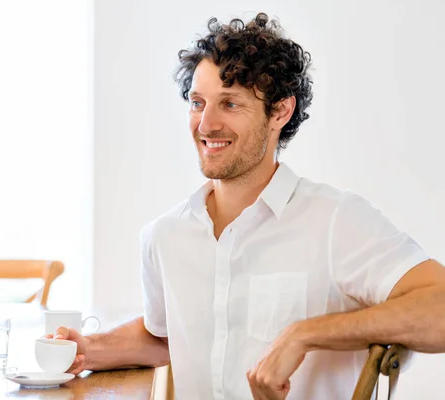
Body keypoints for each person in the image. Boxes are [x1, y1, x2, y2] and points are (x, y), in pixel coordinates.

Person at [53, 12, 445, 400]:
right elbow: (168, 337)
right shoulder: (164, 236)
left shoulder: (335, 221)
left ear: (280, 111)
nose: (206, 124)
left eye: (230, 104)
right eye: (197, 102)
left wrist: (304, 334)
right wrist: (87, 348)